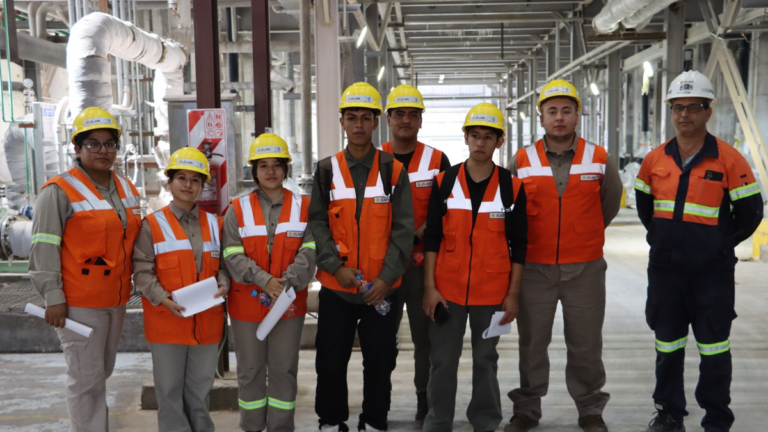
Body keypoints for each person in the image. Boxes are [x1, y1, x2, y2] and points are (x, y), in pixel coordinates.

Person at [634, 70, 763, 432]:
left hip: (711, 275)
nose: (685, 114)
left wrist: (719, 246)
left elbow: (751, 213)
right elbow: (645, 208)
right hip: (665, 272)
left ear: (708, 111)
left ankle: (717, 419)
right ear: (670, 112)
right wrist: (662, 239)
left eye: (693, 107)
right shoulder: (654, 160)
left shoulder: (729, 159)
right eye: (678, 107)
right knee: (667, 347)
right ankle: (669, 413)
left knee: (714, 349)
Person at [506, 79, 623, 432]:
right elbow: (511, 211)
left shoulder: (599, 158)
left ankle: (590, 409)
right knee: (532, 343)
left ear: (577, 116)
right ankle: (527, 409)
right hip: (534, 269)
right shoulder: (521, 161)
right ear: (541, 117)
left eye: (566, 111)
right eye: (552, 111)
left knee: (586, 344)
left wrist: (583, 234)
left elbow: (609, 204)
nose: (559, 117)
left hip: (585, 269)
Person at [29, 107, 142, 431]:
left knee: (101, 371)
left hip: (116, 300)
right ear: (77, 148)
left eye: (110, 144)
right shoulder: (59, 190)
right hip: (79, 303)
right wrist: (53, 296)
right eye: (93, 143)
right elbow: (44, 247)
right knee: (86, 379)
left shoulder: (126, 187)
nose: (103, 150)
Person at [310, 82, 414, 432]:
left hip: (381, 289)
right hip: (337, 287)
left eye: (365, 118)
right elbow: (317, 222)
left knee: (381, 360)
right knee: (330, 358)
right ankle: (331, 420)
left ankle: (374, 419)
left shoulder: (393, 171)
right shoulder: (326, 170)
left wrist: (386, 279)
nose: (358, 124)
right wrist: (335, 267)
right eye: (352, 117)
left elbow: (403, 229)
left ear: (375, 123)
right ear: (342, 121)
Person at [422, 102, 528, 432]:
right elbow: (432, 239)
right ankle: (438, 422)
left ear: (499, 141)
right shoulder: (444, 182)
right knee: (442, 361)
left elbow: (519, 245)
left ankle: (485, 421)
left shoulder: (512, 187)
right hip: (447, 292)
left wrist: (512, 294)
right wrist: (430, 288)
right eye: (475, 135)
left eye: (488, 137)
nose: (480, 142)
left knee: (485, 360)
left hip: (492, 293)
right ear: (465, 138)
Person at [223, 132, 316, 432]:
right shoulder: (237, 209)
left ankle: (280, 427)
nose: (271, 171)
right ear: (254, 170)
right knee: (249, 371)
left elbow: (311, 249)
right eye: (263, 165)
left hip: (289, 304)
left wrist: (287, 284)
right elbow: (231, 254)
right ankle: (251, 426)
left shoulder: (305, 206)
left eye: (277, 164)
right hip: (247, 306)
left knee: (283, 371)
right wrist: (266, 281)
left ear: (287, 168)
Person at [132, 147, 229, 432]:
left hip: (206, 322)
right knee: (169, 392)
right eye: (182, 178)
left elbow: (225, 265)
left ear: (202, 185)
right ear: (170, 182)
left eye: (195, 180)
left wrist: (224, 283)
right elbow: (142, 271)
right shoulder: (152, 225)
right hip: (167, 321)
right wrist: (163, 299)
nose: (188, 184)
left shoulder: (216, 224)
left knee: (200, 391)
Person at [380, 84, 450, 424]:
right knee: (381, 341)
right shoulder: (374, 158)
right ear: (388, 119)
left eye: (412, 114)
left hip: (424, 268)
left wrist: (413, 237)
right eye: (399, 114)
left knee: (426, 342)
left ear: (421, 120)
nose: (405, 120)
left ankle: (425, 402)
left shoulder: (437, 161)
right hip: (384, 270)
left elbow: (445, 210)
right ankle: (379, 403)